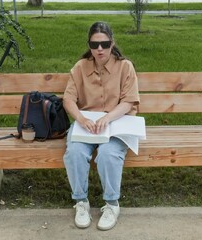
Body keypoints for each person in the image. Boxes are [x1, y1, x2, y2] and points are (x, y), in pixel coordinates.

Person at [62, 21, 140, 231]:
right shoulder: (80, 67)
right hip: (86, 124)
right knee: (75, 153)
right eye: (94, 44)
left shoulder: (125, 67)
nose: (99, 49)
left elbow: (129, 101)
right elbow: (68, 99)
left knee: (108, 154)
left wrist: (108, 118)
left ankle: (112, 204)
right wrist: (81, 119)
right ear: (89, 45)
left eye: (105, 44)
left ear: (112, 43)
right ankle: (81, 202)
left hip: (117, 123)